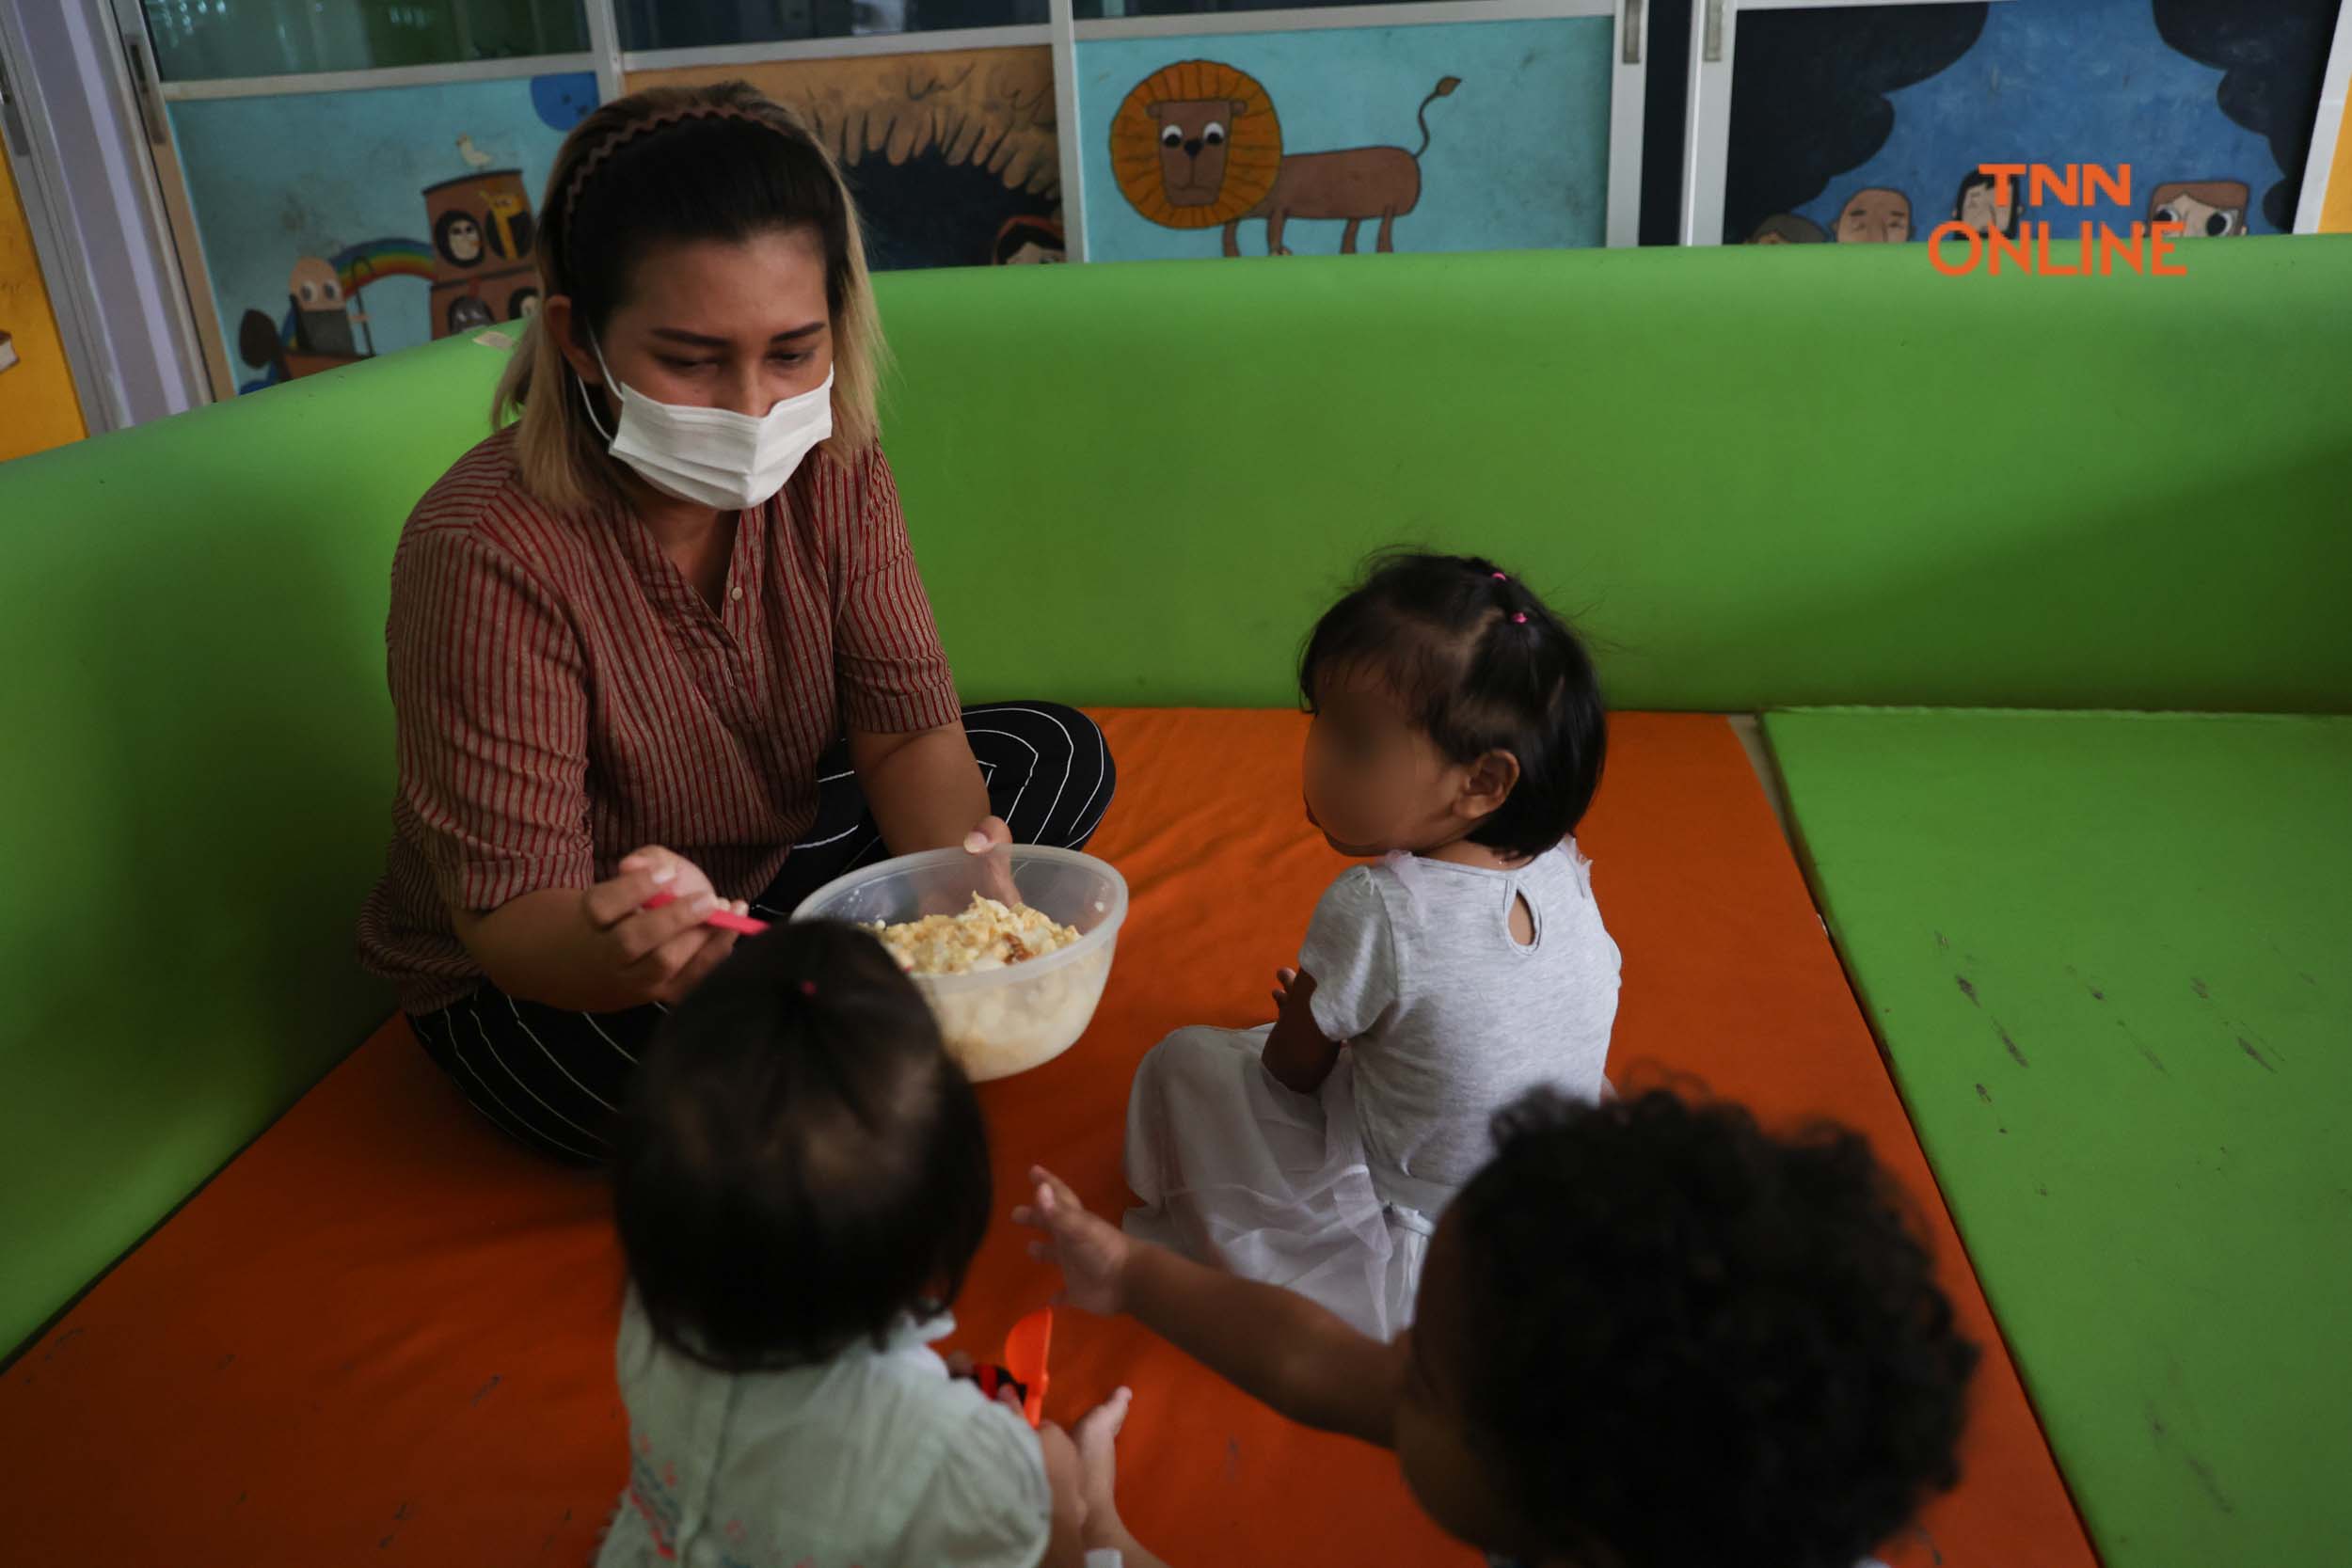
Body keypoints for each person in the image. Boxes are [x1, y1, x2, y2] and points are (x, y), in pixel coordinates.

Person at [356, 82, 1114, 1162]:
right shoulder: (485, 552)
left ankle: (820, 998)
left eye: (793, 352)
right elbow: (511, 916)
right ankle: (818, 1015)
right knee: (720, 1107)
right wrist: (637, 945)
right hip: (560, 959)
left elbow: (905, 729)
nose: (756, 408)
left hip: (768, 856)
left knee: (1055, 751)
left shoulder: (834, 460)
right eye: (692, 360)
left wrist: (965, 909)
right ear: (580, 342)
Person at [1021, 1087, 1980, 1568]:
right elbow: (1318, 1362)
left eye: (1426, 1375)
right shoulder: (1649, 1482)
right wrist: (1132, 1271)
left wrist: (1094, 1544)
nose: (1393, 1351)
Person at [1121, 554, 1618, 1337]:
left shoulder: (1380, 907)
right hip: (1556, 1199)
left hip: (1427, 1246)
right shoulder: (1561, 860)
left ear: (1482, 783)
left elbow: (1288, 1073)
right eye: (1318, 723)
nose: (1317, 762)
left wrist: (1313, 1028)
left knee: (1187, 1063)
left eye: (1356, 745)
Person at [600, 922, 1152, 1568]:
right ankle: (1105, 1521)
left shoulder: (652, 1309)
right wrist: (1057, 1495)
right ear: (948, 1212)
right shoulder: (969, 1469)